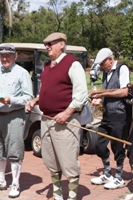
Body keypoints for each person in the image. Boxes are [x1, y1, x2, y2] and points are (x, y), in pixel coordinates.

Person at [25, 32, 88, 200]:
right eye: (46, 44)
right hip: (47, 120)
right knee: (51, 159)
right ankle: (58, 194)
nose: (47, 47)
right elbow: (45, 91)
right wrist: (35, 100)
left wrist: (67, 112)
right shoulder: (46, 66)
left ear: (62, 44)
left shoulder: (72, 64)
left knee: (68, 160)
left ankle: (73, 197)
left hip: (66, 122)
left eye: (51, 43)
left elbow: (81, 94)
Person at [0, 44, 33, 198]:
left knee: (14, 150)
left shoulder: (22, 73)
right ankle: (0, 180)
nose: (5, 58)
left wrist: (10, 99)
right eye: (2, 55)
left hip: (14, 115)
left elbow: (28, 97)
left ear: (15, 57)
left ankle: (16, 183)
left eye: (8, 55)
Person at [90, 48, 130, 189]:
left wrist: (102, 94)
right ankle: (107, 173)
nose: (101, 67)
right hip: (107, 115)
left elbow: (124, 91)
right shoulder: (106, 73)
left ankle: (119, 177)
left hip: (119, 115)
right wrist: (99, 100)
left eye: (102, 64)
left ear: (110, 59)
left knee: (117, 146)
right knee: (99, 144)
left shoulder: (121, 69)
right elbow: (108, 94)